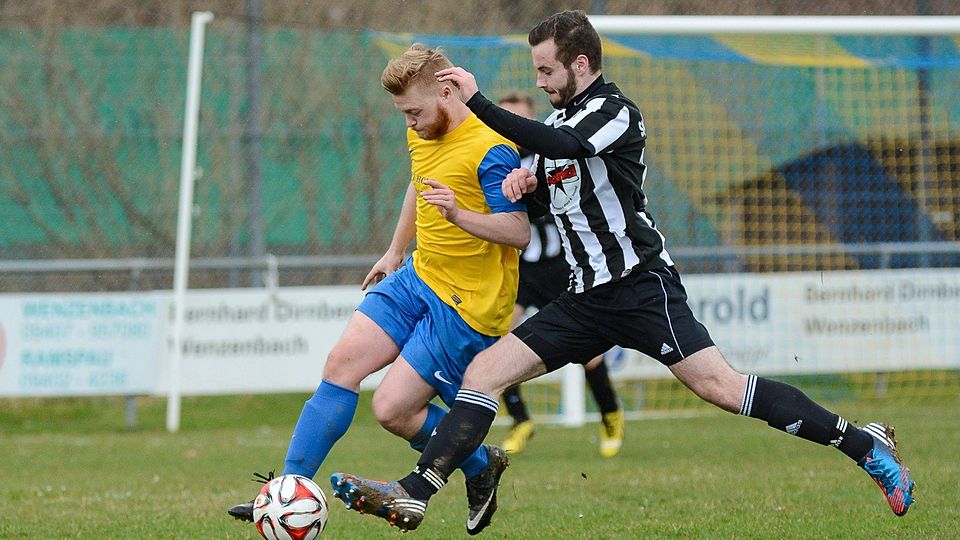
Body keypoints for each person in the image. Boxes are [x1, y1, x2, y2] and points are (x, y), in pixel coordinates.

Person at [329, 11, 917, 533]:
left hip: (640, 288)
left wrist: (479, 104)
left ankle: (863, 444)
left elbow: (561, 142)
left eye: (545, 70)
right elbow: (551, 181)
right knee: (483, 373)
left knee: (722, 388)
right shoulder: (557, 131)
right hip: (584, 299)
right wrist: (524, 185)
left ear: (579, 63)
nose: (538, 81)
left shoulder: (613, 112)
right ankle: (413, 494)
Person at [228, 43, 530, 536]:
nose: (409, 123)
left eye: (414, 111)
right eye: (403, 114)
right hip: (418, 274)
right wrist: (394, 252)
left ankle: (479, 466)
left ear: (448, 91)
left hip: (465, 306)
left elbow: (518, 232)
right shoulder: (423, 131)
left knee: (392, 410)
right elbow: (420, 181)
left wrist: (459, 214)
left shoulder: (491, 148)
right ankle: (286, 492)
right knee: (340, 365)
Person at [497, 91, 625, 457]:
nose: (513, 127)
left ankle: (611, 415)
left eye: (520, 118)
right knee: (498, 344)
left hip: (559, 268)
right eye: (507, 119)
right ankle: (521, 421)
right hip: (522, 271)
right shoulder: (494, 159)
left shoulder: (547, 155)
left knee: (589, 352)